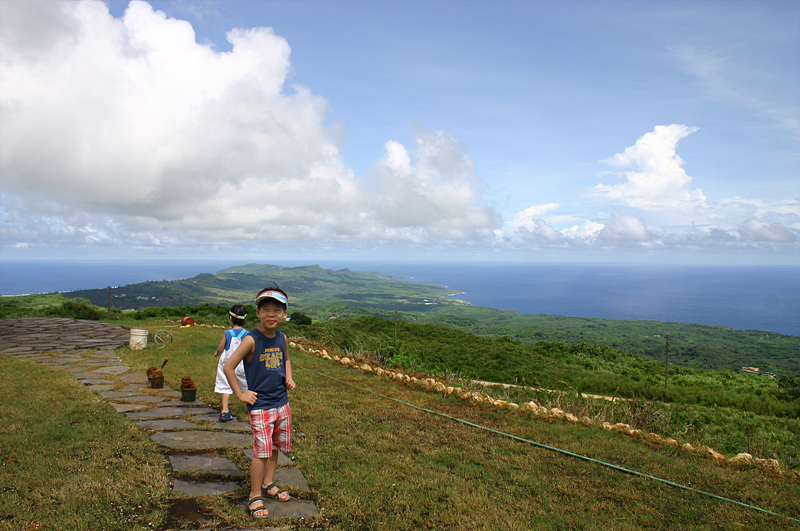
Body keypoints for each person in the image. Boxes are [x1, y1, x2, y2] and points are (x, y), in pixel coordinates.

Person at [224, 286, 296, 519]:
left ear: (285, 315)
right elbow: (228, 366)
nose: (271, 314)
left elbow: (285, 359)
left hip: (281, 403)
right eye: (266, 309)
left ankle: (268, 482)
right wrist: (240, 394)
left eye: (277, 310)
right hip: (261, 406)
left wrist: (289, 377)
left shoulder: (282, 337)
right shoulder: (251, 340)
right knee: (261, 452)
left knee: (274, 447)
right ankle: (255, 494)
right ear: (258, 314)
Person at [213, 304, 249, 422]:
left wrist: (216, 353)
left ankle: (225, 411)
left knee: (226, 386)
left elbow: (221, 348)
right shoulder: (247, 334)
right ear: (245, 320)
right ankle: (252, 408)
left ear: (230, 318)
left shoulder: (227, 333)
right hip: (243, 364)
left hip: (227, 365)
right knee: (247, 385)